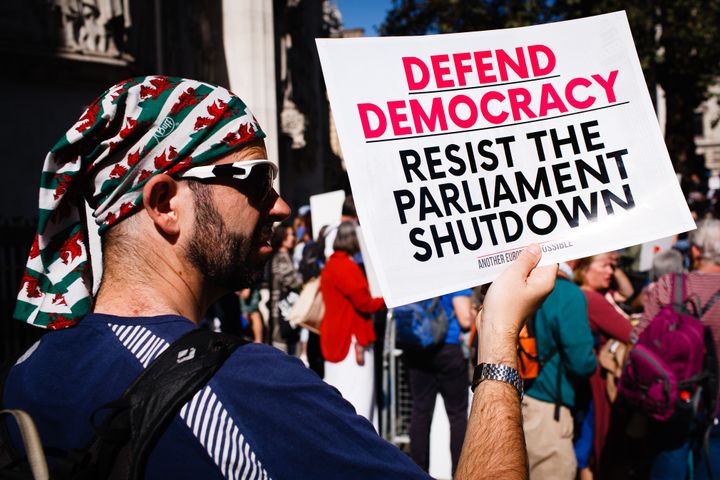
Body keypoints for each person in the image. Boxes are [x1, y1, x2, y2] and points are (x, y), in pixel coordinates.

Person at [3, 75, 557, 479]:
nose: (281, 205)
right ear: (167, 203)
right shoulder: (246, 387)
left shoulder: (29, 369)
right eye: (256, 181)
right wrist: (499, 345)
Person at [634, 219, 720, 480]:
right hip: (717, 406)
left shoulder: (669, 286)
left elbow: (639, 340)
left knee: (668, 463)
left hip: (673, 396)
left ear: (694, 251)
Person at [522, 262, 597, 480]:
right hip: (549, 411)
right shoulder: (567, 293)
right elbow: (582, 363)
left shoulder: (524, 285)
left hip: (519, 398)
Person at [319, 221, 384, 427]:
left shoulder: (332, 264)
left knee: (343, 395)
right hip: (351, 340)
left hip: (337, 337)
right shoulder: (346, 266)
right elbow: (364, 303)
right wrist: (387, 300)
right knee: (359, 399)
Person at [573, 253, 633, 474]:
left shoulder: (589, 295)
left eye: (612, 266)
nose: (610, 271)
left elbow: (628, 292)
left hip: (583, 382)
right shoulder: (592, 299)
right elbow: (630, 332)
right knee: (593, 445)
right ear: (585, 269)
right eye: (604, 266)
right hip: (596, 381)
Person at [404, 289, 474, 475]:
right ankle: (460, 473)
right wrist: (475, 313)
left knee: (420, 411)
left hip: (418, 347)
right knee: (458, 415)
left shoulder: (416, 275)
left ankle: (418, 472)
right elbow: (465, 319)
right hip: (449, 348)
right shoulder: (453, 277)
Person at [269, 223, 303, 354]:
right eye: (290, 235)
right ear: (282, 237)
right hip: (281, 307)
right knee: (281, 344)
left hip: (285, 306)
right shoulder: (281, 257)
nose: (293, 238)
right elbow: (292, 280)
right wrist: (304, 279)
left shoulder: (286, 255)